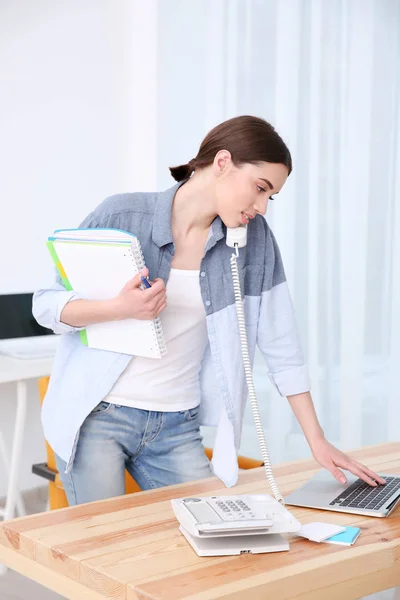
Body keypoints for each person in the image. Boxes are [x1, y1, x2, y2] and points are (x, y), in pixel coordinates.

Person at [33, 115, 385, 506]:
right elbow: (46, 305)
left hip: (176, 426)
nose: (263, 207)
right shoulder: (121, 216)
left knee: (219, 531)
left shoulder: (253, 243)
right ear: (222, 163)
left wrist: (316, 440)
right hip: (98, 418)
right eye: (260, 188)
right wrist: (119, 307)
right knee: (105, 549)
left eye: (271, 196)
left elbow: (282, 346)